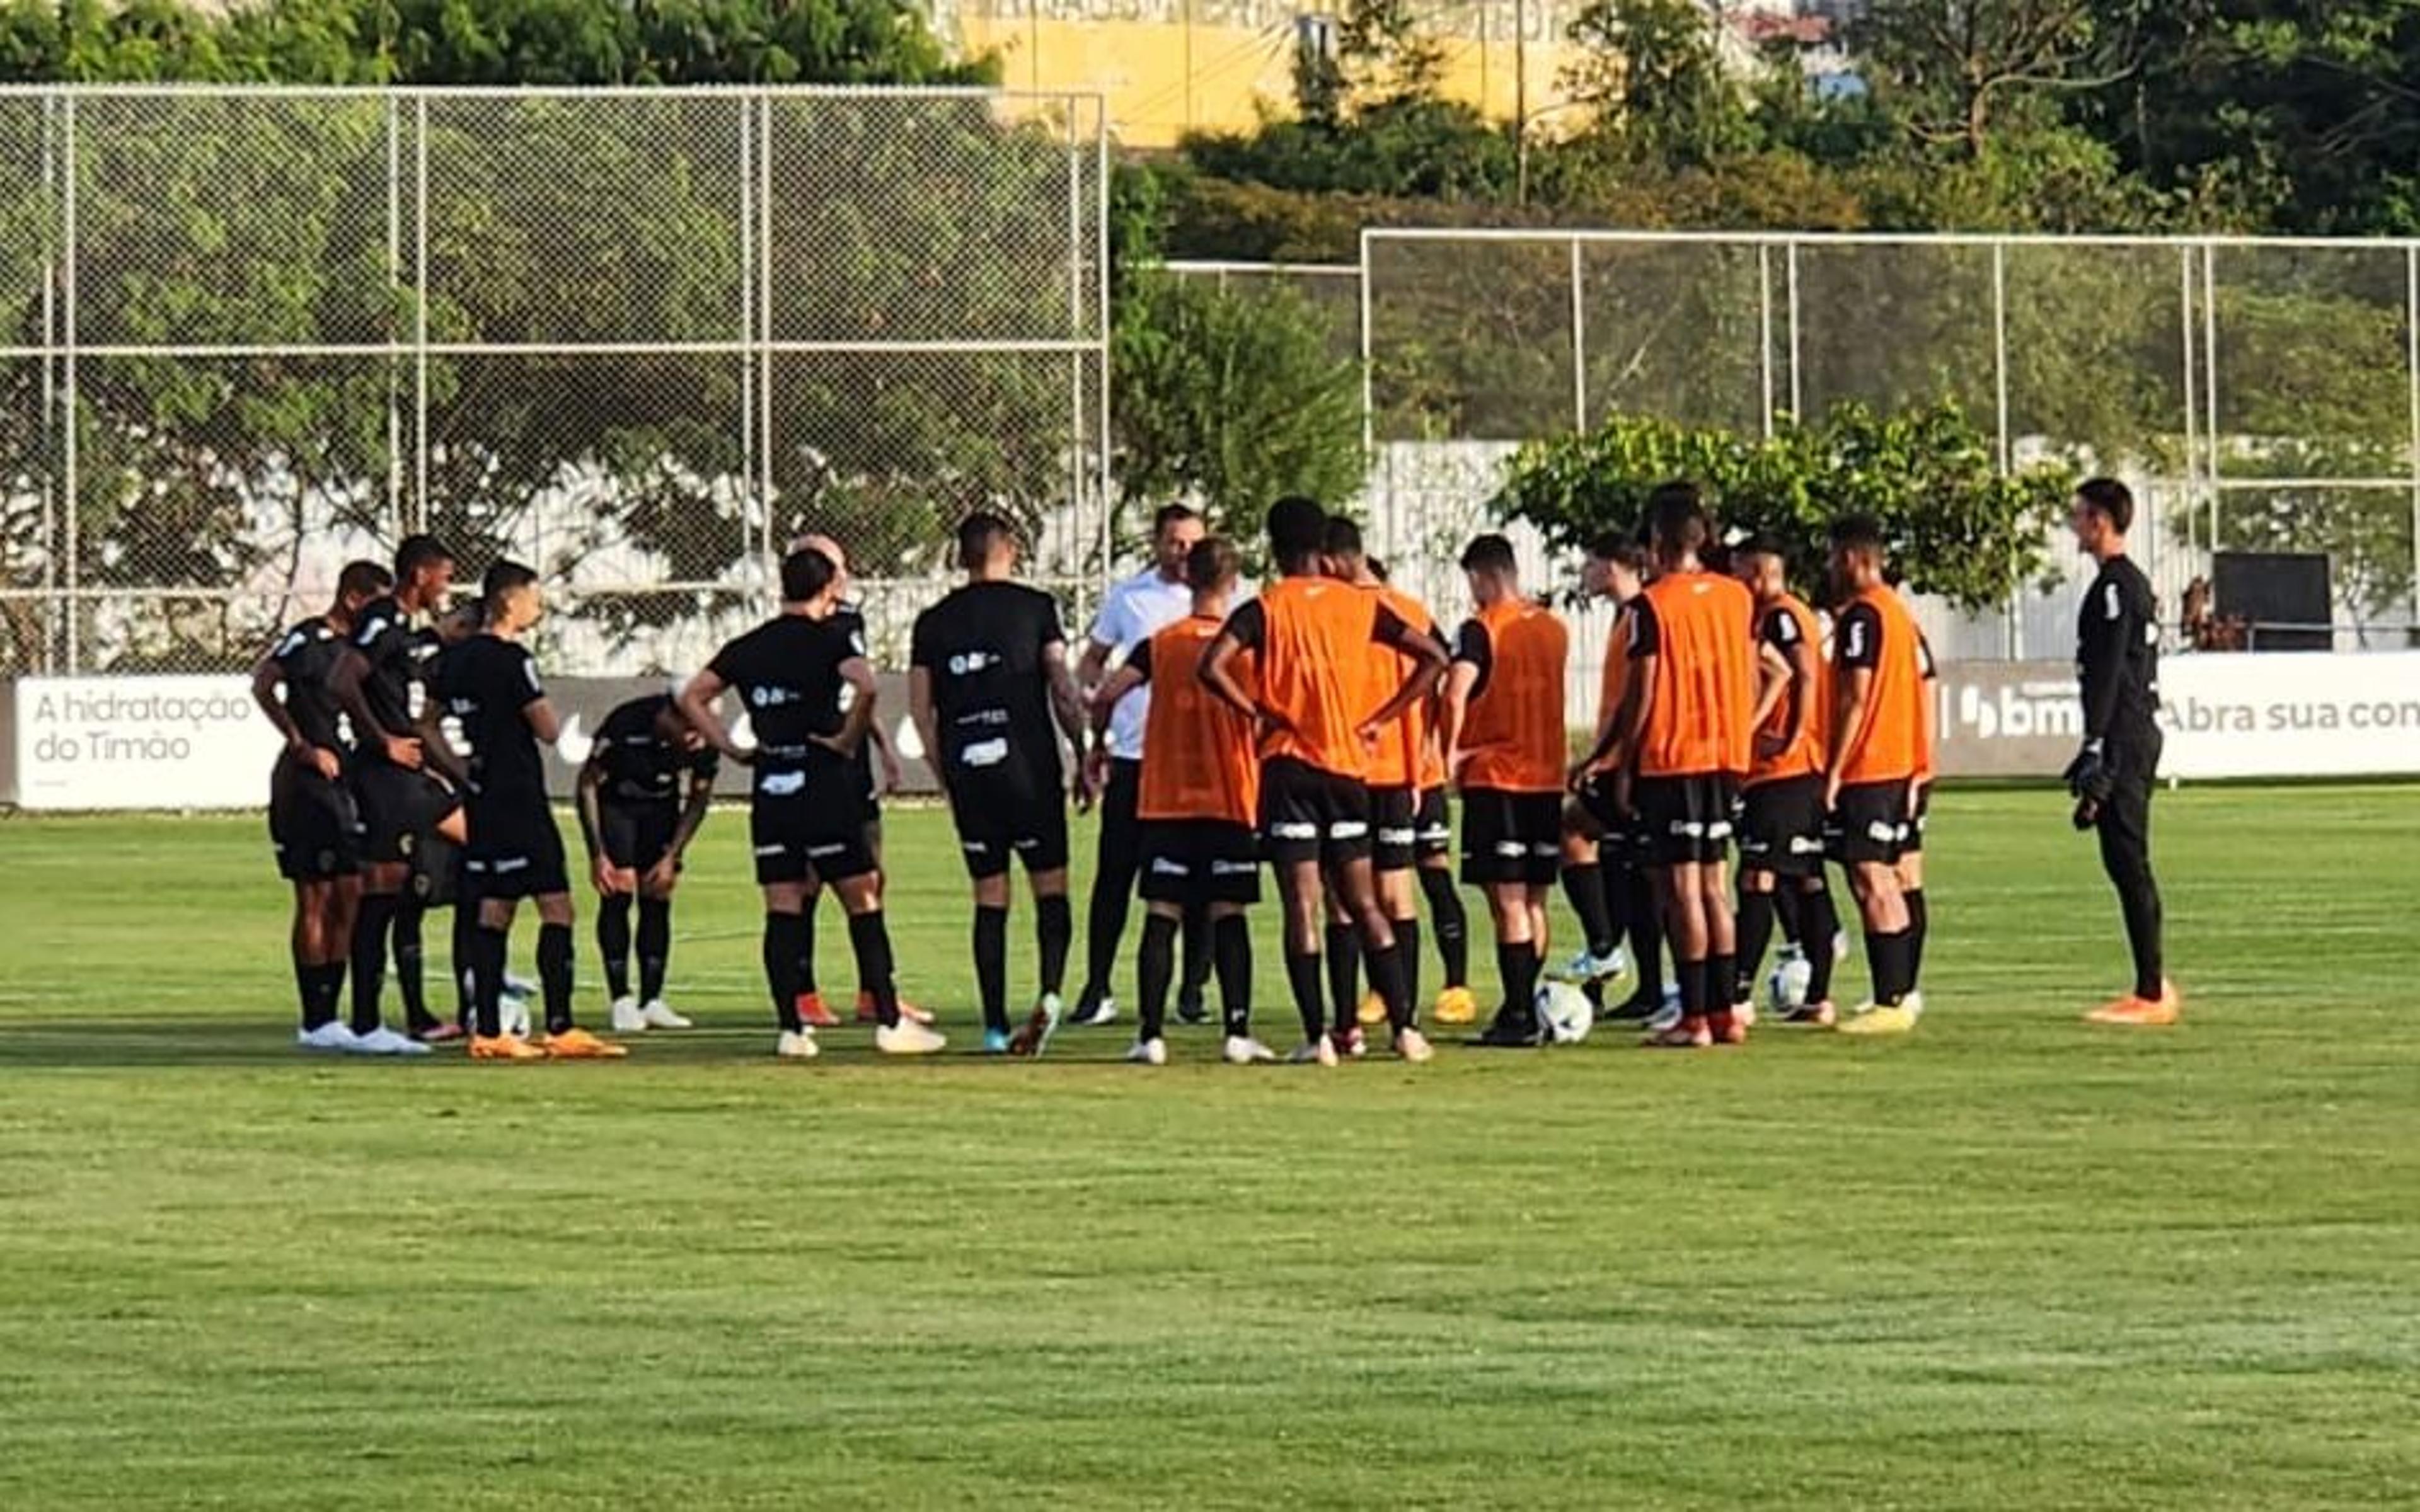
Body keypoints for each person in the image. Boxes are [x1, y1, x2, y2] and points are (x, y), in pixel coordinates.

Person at [1197, 496, 1450, 1065]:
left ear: (1276, 549)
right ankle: (1405, 1028)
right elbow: (1434, 656)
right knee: (1364, 902)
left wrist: (1256, 711)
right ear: (1321, 550)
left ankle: (1319, 1039)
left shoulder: (1266, 608)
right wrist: (1382, 718)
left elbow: (1210, 667)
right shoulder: (1359, 606)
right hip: (1348, 769)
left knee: (1302, 907)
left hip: (1288, 770)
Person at [683, 547, 942, 1058]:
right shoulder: (831, 637)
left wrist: (731, 747)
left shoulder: (748, 646)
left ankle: (791, 1029)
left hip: (772, 785)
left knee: (782, 905)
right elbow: (865, 685)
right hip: (822, 780)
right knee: (862, 897)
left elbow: (692, 696)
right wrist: (848, 738)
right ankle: (889, 1020)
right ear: (828, 590)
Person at [1573, 483, 1755, 1050]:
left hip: (1673, 758)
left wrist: (1613, 760)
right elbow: (1748, 674)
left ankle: (1695, 1016)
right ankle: (1728, 1013)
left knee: (1684, 892)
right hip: (1726, 757)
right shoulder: (1736, 597)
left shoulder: (1653, 604)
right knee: (1715, 886)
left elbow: (1644, 693)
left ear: (1655, 540)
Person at [910, 513, 1095, 1055]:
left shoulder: (933, 621)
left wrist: (948, 779)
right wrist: (1083, 753)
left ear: (961, 556)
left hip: (971, 766)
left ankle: (993, 1025)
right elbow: (1061, 686)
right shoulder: (1037, 608)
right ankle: (1052, 993)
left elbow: (923, 714)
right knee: (1050, 887)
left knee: (989, 894)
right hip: (1028, 768)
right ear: (1009, 549)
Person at [1089, 536, 1274, 1065]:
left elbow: (1104, 695)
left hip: (1166, 797)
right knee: (1229, 912)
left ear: (1188, 580)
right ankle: (1237, 1032)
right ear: (1233, 584)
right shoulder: (1245, 647)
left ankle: (1150, 1036)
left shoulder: (1160, 643)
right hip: (1231, 796)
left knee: (1161, 911)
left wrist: (1098, 748)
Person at [436, 560, 623, 1062]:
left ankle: (491, 1029)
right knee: (556, 905)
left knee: (494, 909)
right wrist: (568, 732)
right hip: (519, 796)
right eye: (533, 597)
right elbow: (544, 727)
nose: (537, 606)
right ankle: (559, 1025)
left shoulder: (453, 660)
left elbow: (426, 722)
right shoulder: (512, 659)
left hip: (482, 795)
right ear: (507, 601)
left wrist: (459, 767)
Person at [254, 561, 424, 1054]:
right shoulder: (310, 640)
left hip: (352, 785)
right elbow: (263, 682)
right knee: (316, 897)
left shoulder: (368, 649)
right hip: (308, 786)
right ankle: (316, 1016)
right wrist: (300, 742)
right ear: (354, 599)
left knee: (352, 892)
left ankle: (340, 1011)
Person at [783, 532, 930, 1032]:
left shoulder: (849, 622)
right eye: (833, 567)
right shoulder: (797, 630)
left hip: (853, 767)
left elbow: (859, 695)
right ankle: (802, 993)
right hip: (816, 768)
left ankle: (876, 991)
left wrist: (884, 748)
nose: (842, 575)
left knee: (872, 876)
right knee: (806, 883)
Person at [1069, 503, 1208, 1029]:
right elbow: (1093, 660)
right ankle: (1098, 985)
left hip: (1195, 760)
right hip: (1136, 754)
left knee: (1195, 881)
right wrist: (1092, 703)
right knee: (1115, 875)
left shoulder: (1226, 599)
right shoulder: (1130, 598)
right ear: (1157, 543)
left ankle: (1192, 989)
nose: (1184, 552)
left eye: (1193, 543)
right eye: (1175, 542)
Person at [331, 534, 466, 1043]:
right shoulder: (382, 618)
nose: (447, 586)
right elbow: (343, 679)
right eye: (445, 576)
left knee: (408, 889)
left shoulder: (410, 629)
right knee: (383, 893)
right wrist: (382, 740)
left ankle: (430, 1009)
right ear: (420, 575)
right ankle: (367, 1023)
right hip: (385, 777)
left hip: (409, 776)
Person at [1441, 534, 1572, 1047]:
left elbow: (1456, 692)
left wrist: (1449, 752)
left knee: (1508, 902)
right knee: (1535, 900)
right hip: (1546, 777)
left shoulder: (1481, 629)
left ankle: (1517, 1014)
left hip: (1497, 775)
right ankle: (1527, 1005)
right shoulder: (1553, 630)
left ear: (1481, 576)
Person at [1323, 520, 1447, 1050]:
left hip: (1347, 771)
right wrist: (1422, 746)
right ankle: (1406, 1019)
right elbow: (1442, 672)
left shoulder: (1335, 614)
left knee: (1341, 901)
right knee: (1397, 898)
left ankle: (1349, 1024)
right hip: (1397, 774)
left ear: (1332, 561)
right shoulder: (1414, 610)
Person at [2066, 478, 2179, 1026]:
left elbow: (2110, 673)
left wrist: (2096, 746)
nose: (2073, 524)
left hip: (2126, 737)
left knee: (2129, 859)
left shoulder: (2116, 587)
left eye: (2080, 514)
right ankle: (2151, 981)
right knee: (2118, 857)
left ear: (2101, 521)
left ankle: (2151, 993)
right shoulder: (2125, 584)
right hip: (2126, 735)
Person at [1822, 517, 1931, 1037]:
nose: (1828, 568)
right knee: (1894, 875)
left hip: (1871, 767)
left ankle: (1892, 999)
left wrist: (1835, 769)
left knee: (1872, 877)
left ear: (1851, 558)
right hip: (1898, 764)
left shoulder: (1864, 616)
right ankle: (1902, 991)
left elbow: (1855, 697)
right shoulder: (1901, 614)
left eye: (1831, 557)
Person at [1729, 536, 1842, 1027]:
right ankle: (1818, 997)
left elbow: (1799, 673)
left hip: (1786, 772)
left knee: (1758, 875)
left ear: (1757, 571)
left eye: (1739, 572)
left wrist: (1787, 735)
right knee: (1805, 876)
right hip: (1801, 769)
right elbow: (1784, 674)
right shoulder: (1783, 613)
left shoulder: (1779, 613)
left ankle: (1737, 993)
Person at [1564, 534, 1664, 1022]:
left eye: (1590, 563)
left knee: (1572, 830)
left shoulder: (1643, 612)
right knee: (1630, 870)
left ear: (1613, 567)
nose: (1584, 572)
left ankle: (1604, 947)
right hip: (1621, 760)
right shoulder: (1624, 616)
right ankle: (1641, 984)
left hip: (1635, 763)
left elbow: (1639, 699)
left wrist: (1610, 759)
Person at [575, 690, 714, 1034]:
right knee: (619, 892)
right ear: (669, 716)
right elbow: (587, 784)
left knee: (658, 893)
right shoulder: (626, 722)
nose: (694, 739)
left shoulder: (704, 737)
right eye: (688, 728)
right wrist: (598, 853)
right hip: (617, 808)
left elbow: (698, 800)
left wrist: (673, 855)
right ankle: (621, 998)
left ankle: (653, 999)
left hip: (661, 809)